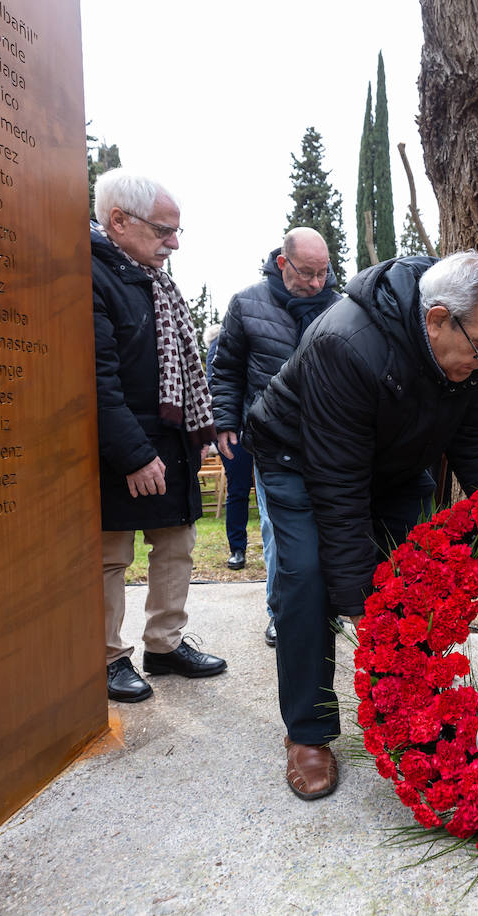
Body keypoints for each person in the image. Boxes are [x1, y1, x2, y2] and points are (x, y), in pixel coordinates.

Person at [243, 251, 478, 801]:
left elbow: (471, 444)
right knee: (310, 578)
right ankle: (309, 732)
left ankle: (411, 703)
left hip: (390, 461)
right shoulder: (345, 342)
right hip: (300, 459)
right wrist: (357, 596)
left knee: (414, 568)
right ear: (437, 319)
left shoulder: (471, 348)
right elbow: (338, 484)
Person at [91, 169, 227, 704]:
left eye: (177, 231)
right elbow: (95, 380)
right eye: (162, 230)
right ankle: (106, 657)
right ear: (119, 222)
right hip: (118, 449)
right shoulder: (93, 276)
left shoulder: (155, 278)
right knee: (110, 554)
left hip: (169, 441)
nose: (173, 242)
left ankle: (164, 646)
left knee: (177, 544)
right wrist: (132, 454)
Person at [209, 228, 340, 648]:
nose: (316, 283)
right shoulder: (247, 304)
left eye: (323, 273)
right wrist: (225, 420)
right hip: (270, 441)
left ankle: (325, 609)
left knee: (328, 530)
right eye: (307, 273)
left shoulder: (340, 307)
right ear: (283, 264)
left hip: (328, 443)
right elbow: (226, 369)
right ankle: (280, 613)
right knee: (276, 530)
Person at [203, 327, 256, 575]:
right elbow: (217, 386)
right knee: (238, 489)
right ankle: (237, 548)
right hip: (234, 429)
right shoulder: (219, 344)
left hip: (261, 422)